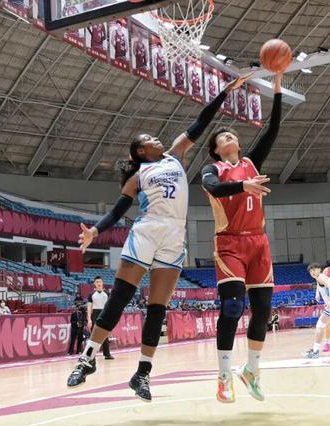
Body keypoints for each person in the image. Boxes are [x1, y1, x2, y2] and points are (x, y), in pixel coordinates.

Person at [66, 74, 252, 402]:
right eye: (151, 139)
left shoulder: (175, 154)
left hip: (174, 236)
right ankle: (87, 359)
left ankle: (142, 374)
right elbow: (119, 209)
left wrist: (225, 92)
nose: (158, 139)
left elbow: (201, 122)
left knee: (157, 309)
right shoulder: (138, 175)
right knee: (120, 298)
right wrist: (95, 231)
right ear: (142, 150)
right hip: (147, 231)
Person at [200, 71, 283, 403]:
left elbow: (273, 130)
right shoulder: (213, 170)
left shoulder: (251, 162)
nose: (228, 136)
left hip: (258, 242)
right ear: (216, 150)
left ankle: (251, 370)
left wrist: (277, 90)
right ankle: (223, 376)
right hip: (230, 242)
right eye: (222, 137)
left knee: (263, 310)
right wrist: (243, 186)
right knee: (233, 307)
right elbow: (213, 188)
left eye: (231, 134)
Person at [88, 276, 114, 360]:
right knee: (93, 336)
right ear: (94, 284)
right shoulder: (91, 294)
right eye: (97, 282)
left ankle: (107, 354)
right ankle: (91, 355)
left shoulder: (107, 293)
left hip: (104, 313)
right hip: (95, 314)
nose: (98, 283)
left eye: (100, 282)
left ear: (102, 283)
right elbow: (89, 307)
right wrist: (89, 319)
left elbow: (110, 306)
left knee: (104, 335)